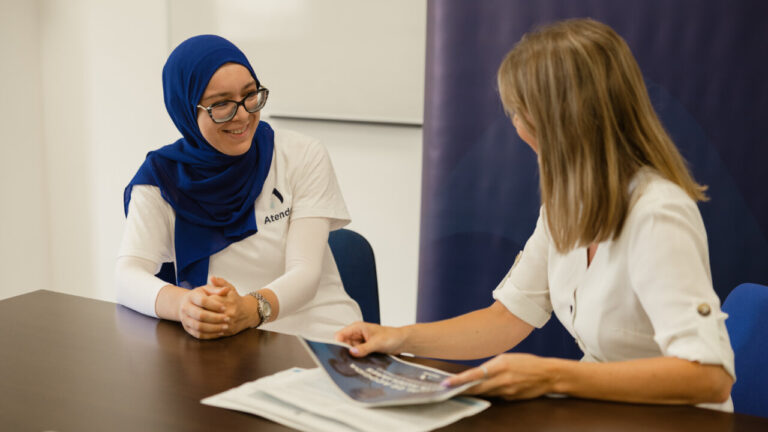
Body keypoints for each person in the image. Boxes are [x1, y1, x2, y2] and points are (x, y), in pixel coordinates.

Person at [336, 18, 735, 411]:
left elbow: (710, 377)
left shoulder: (657, 213)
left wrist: (552, 376)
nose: (515, 125)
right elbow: (507, 318)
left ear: (559, 120)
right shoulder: (566, 206)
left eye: (519, 111)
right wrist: (399, 338)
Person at [116, 34, 362, 340]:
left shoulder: (300, 155)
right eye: (221, 105)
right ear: (185, 110)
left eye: (250, 95)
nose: (244, 114)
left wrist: (250, 309)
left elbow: (305, 273)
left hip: (321, 337)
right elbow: (127, 276)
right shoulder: (162, 179)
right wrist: (184, 304)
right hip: (228, 345)